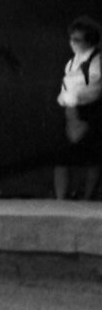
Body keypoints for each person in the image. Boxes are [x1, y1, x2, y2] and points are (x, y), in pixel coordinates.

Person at [55, 17, 102, 200]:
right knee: (61, 159)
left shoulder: (98, 61)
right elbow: (65, 89)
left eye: (77, 40)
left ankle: (88, 197)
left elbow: (95, 89)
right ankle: (60, 199)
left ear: (89, 40)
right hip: (70, 112)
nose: (72, 43)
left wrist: (73, 97)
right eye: (71, 39)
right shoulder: (71, 62)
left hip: (91, 113)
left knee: (93, 159)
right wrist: (66, 98)